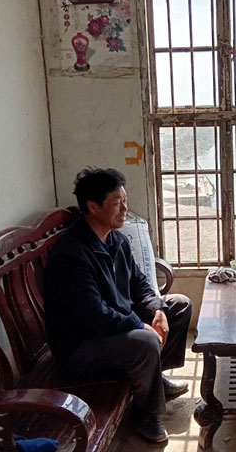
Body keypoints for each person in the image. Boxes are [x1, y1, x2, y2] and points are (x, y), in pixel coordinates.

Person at [44, 167, 192, 443]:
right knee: (145, 341)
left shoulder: (116, 240)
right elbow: (94, 315)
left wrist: (157, 309)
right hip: (81, 344)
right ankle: (145, 411)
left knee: (179, 306)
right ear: (93, 206)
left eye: (125, 200)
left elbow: (139, 283)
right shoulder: (71, 254)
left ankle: (154, 379)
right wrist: (139, 324)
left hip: (110, 325)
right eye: (117, 202)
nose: (125, 208)